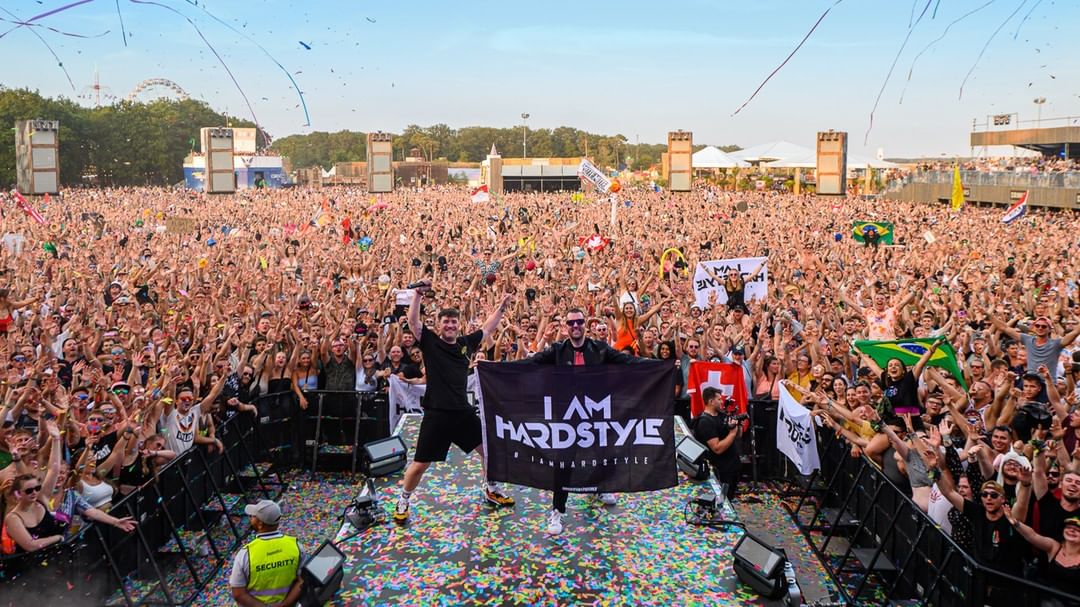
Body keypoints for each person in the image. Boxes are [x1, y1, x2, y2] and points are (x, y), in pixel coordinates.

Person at [517, 307, 648, 535]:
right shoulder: (557, 351)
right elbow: (531, 363)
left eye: (579, 322)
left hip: (595, 416)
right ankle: (557, 510)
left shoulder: (599, 349)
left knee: (602, 454)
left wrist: (658, 365)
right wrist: (493, 368)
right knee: (564, 463)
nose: (575, 326)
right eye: (571, 323)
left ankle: (600, 488)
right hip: (567, 418)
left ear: (585, 324)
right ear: (566, 327)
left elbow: (628, 362)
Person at [394, 283, 514, 524]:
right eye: (446, 322)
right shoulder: (430, 342)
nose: (450, 325)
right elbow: (414, 323)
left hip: (462, 413)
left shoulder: (465, 344)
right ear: (439, 325)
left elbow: (487, 329)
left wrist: (501, 308)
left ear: (459, 325)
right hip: (437, 415)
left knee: (489, 451)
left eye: (453, 322)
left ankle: (491, 489)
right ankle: (403, 500)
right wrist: (418, 295)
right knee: (420, 464)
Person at [229, 499, 303, 606]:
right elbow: (302, 581)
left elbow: (238, 594)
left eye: (253, 516)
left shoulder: (245, 554)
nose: (250, 518)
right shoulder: (296, 546)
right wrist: (285, 604)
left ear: (260, 524)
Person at [693, 386, 743, 501]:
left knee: (729, 498)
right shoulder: (705, 422)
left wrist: (738, 425)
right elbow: (717, 448)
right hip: (720, 470)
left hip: (733, 466)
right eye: (719, 399)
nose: (722, 401)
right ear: (711, 401)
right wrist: (732, 433)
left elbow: (738, 436)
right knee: (721, 501)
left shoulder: (723, 415)